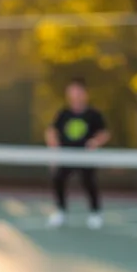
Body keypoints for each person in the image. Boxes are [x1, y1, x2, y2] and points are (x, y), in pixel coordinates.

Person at [45, 77, 111, 229]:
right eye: (72, 93)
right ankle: (60, 212)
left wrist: (95, 142)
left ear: (85, 94)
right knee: (58, 179)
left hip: (86, 157)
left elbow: (104, 133)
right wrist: (54, 150)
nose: (75, 96)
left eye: (78, 92)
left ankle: (95, 213)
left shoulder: (93, 114)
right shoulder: (64, 113)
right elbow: (51, 131)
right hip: (66, 156)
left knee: (89, 182)